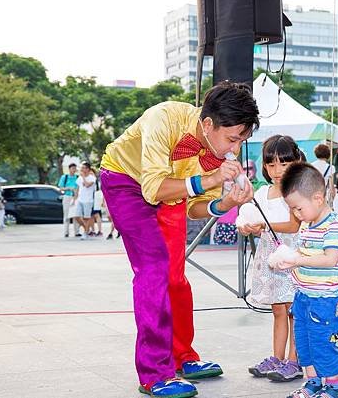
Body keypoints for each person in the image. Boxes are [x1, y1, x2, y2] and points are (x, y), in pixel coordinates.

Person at [99, 81, 259, 398]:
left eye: (242, 140)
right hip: (126, 182)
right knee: (154, 270)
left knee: (175, 276)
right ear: (208, 123)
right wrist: (211, 179)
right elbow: (153, 189)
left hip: (175, 192)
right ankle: (155, 373)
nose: (235, 149)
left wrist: (224, 204)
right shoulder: (164, 117)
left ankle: (183, 357)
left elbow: (193, 209)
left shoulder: (215, 154)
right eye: (231, 139)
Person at [277, 162, 338, 398]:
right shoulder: (308, 225)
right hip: (304, 297)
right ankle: (313, 383)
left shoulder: (334, 227)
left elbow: (330, 259)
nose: (296, 215)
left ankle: (334, 388)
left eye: (298, 208)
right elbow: (304, 255)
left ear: (318, 198)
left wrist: (297, 260)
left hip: (324, 301)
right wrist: (290, 259)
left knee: (322, 345)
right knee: (305, 344)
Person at [238, 135, 302, 382]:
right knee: (278, 310)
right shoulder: (264, 192)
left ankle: (294, 361)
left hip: (291, 259)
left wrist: (263, 225)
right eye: (271, 164)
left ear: (296, 161)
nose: (277, 170)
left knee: (294, 311)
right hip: (269, 259)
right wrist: (246, 226)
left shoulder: (296, 191)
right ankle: (277, 358)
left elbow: (294, 225)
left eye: (283, 164)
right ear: (264, 166)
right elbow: (249, 217)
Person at [73, 162, 96, 240]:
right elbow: (78, 188)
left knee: (86, 218)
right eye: (81, 168)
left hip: (88, 201)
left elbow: (87, 185)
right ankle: (87, 229)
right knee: (76, 216)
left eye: (83, 168)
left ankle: (85, 233)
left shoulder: (92, 177)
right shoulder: (79, 178)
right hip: (80, 200)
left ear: (87, 169)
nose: (81, 169)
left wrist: (83, 177)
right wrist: (74, 198)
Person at [57, 163, 80, 237]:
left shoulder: (77, 177)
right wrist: (69, 188)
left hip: (75, 197)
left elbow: (79, 187)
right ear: (69, 169)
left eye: (75, 168)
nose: (74, 170)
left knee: (75, 215)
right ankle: (66, 232)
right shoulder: (65, 177)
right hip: (67, 196)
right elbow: (61, 188)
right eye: (72, 168)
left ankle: (76, 232)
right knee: (66, 215)